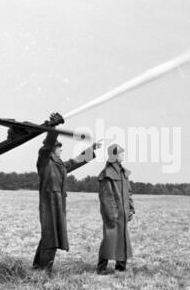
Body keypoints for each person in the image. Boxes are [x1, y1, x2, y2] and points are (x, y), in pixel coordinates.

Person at [33, 116, 101, 275]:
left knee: (50, 236)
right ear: (52, 149)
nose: (61, 149)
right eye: (58, 147)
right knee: (50, 237)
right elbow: (47, 144)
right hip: (48, 204)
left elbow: (76, 161)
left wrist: (92, 150)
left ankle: (37, 267)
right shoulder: (44, 160)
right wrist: (53, 128)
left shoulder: (60, 164)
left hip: (58, 204)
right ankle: (44, 270)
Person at [97, 144, 135, 275]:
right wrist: (112, 214)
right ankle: (101, 268)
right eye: (121, 153)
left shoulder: (123, 172)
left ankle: (121, 267)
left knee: (123, 240)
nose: (123, 155)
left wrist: (131, 209)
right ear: (114, 156)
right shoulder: (107, 174)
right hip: (113, 214)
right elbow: (106, 197)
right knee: (109, 240)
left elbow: (129, 193)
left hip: (123, 213)